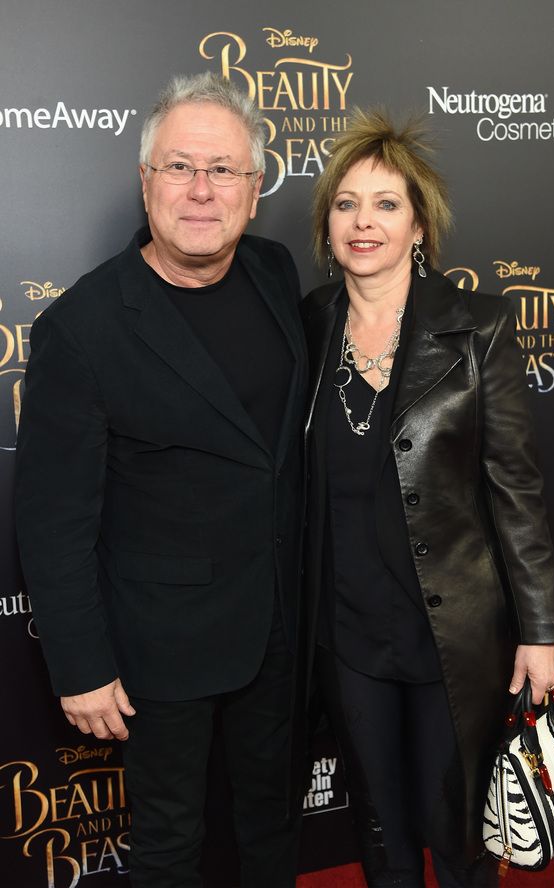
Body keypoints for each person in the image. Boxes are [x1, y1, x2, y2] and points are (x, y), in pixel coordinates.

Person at [15, 72, 307, 888]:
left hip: (280, 630)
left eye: (225, 171)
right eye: (180, 167)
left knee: (271, 827)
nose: (202, 191)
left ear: (256, 189)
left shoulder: (275, 273)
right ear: (146, 182)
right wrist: (80, 663)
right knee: (172, 846)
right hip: (160, 647)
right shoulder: (83, 327)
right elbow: (53, 518)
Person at [301, 108, 554, 888]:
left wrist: (540, 632)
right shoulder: (311, 324)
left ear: (419, 225)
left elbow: (516, 489)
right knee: (380, 833)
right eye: (347, 204)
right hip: (349, 636)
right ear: (327, 225)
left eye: (387, 204)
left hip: (454, 636)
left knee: (459, 838)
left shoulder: (477, 327)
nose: (364, 222)